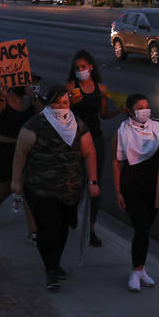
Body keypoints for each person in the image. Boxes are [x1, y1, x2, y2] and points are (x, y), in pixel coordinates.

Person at [11, 85, 100, 291]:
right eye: (57, 103)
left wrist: (93, 181)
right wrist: (16, 181)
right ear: (49, 103)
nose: (61, 107)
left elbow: (89, 153)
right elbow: (20, 152)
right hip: (41, 189)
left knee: (62, 228)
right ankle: (50, 269)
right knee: (47, 229)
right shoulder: (35, 124)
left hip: (70, 190)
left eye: (65, 103)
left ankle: (55, 262)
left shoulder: (78, 125)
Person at [114, 94, 159, 292]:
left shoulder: (157, 128)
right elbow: (116, 161)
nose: (144, 110)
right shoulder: (122, 131)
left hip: (153, 185)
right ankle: (136, 271)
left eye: (146, 106)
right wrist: (118, 190)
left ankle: (141, 268)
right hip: (132, 185)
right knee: (141, 227)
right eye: (139, 107)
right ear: (130, 111)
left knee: (146, 229)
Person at [66, 50, 112, 247]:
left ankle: (91, 228)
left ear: (91, 67)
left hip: (95, 137)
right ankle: (72, 212)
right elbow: (61, 112)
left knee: (95, 184)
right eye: (77, 68)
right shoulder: (71, 87)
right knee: (76, 180)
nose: (80, 71)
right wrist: (70, 102)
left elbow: (103, 114)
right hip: (76, 139)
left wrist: (119, 110)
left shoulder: (101, 89)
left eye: (83, 67)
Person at [0, 82, 39, 231]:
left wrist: (34, 97)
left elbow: (42, 117)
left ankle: (33, 230)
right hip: (5, 150)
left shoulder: (29, 99)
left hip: (27, 150)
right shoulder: (3, 98)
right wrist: (0, 98)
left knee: (28, 188)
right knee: (5, 186)